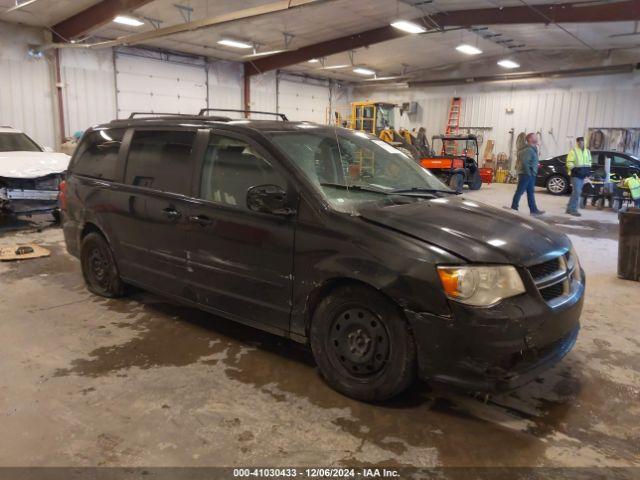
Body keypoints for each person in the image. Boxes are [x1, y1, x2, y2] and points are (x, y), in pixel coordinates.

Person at [510, 132, 545, 215]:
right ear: (529, 139)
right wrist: (529, 172)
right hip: (526, 174)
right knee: (520, 191)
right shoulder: (528, 149)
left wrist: (535, 166)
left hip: (530, 174)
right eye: (535, 137)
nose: (537, 138)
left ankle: (533, 210)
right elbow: (525, 162)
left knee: (530, 192)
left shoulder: (532, 148)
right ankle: (514, 208)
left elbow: (530, 161)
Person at [565, 136, 592, 217]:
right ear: (577, 143)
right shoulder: (573, 151)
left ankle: (569, 208)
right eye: (579, 142)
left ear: (585, 142)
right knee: (577, 192)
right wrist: (575, 170)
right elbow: (569, 163)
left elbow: (589, 161)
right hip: (575, 175)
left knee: (576, 192)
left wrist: (587, 171)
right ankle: (573, 210)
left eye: (582, 142)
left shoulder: (587, 151)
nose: (580, 143)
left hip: (583, 175)